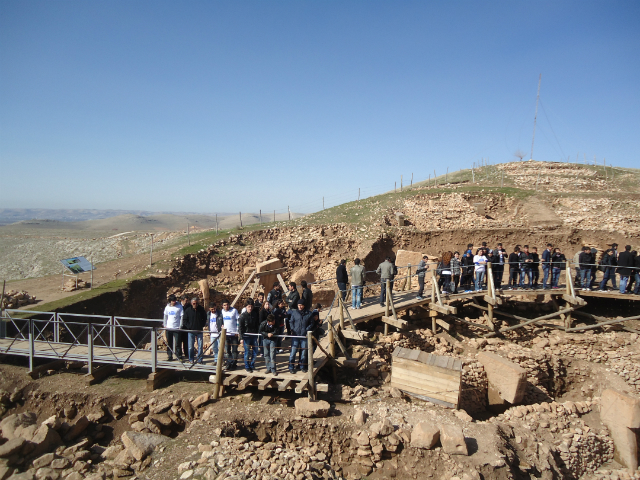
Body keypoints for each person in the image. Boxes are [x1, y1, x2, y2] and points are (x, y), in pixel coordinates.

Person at [288, 299, 312, 373]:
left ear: (304, 305)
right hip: (295, 335)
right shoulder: (294, 313)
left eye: (301, 305)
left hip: (304, 336)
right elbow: (291, 321)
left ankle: (302, 366)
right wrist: (292, 329)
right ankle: (291, 367)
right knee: (293, 352)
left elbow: (311, 323)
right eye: (299, 305)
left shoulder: (309, 313)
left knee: (304, 353)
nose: (300, 307)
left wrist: (306, 330)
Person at [182, 297, 207, 364]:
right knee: (190, 347)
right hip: (191, 331)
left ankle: (200, 359)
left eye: (196, 303)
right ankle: (191, 359)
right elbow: (185, 320)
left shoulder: (201, 309)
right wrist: (189, 326)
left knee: (200, 346)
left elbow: (204, 318)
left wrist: (202, 325)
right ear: (191, 303)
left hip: (199, 330)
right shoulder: (188, 310)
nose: (195, 304)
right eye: (194, 303)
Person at [238, 302, 260, 373]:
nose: (250, 308)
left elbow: (257, 325)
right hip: (246, 336)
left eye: (251, 306)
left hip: (254, 336)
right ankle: (247, 366)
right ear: (246, 307)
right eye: (248, 306)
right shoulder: (243, 316)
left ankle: (252, 364)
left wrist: (257, 335)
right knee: (247, 352)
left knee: (255, 351)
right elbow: (240, 328)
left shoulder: (254, 314)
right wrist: (241, 338)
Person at [163, 295, 183, 361]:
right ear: (170, 301)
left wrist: (180, 325)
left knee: (178, 343)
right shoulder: (167, 307)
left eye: (174, 301)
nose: (174, 302)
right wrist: (164, 324)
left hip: (176, 327)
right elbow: (165, 316)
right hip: (169, 327)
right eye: (172, 301)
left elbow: (181, 316)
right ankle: (169, 356)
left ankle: (179, 356)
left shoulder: (179, 307)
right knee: (169, 343)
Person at [221, 301, 239, 370]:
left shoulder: (234, 310)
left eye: (227, 305)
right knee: (227, 350)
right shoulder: (222, 312)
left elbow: (238, 320)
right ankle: (229, 363)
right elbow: (220, 321)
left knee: (234, 350)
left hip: (233, 333)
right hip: (226, 334)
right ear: (222, 306)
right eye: (224, 305)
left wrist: (237, 331)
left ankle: (234, 364)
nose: (226, 306)